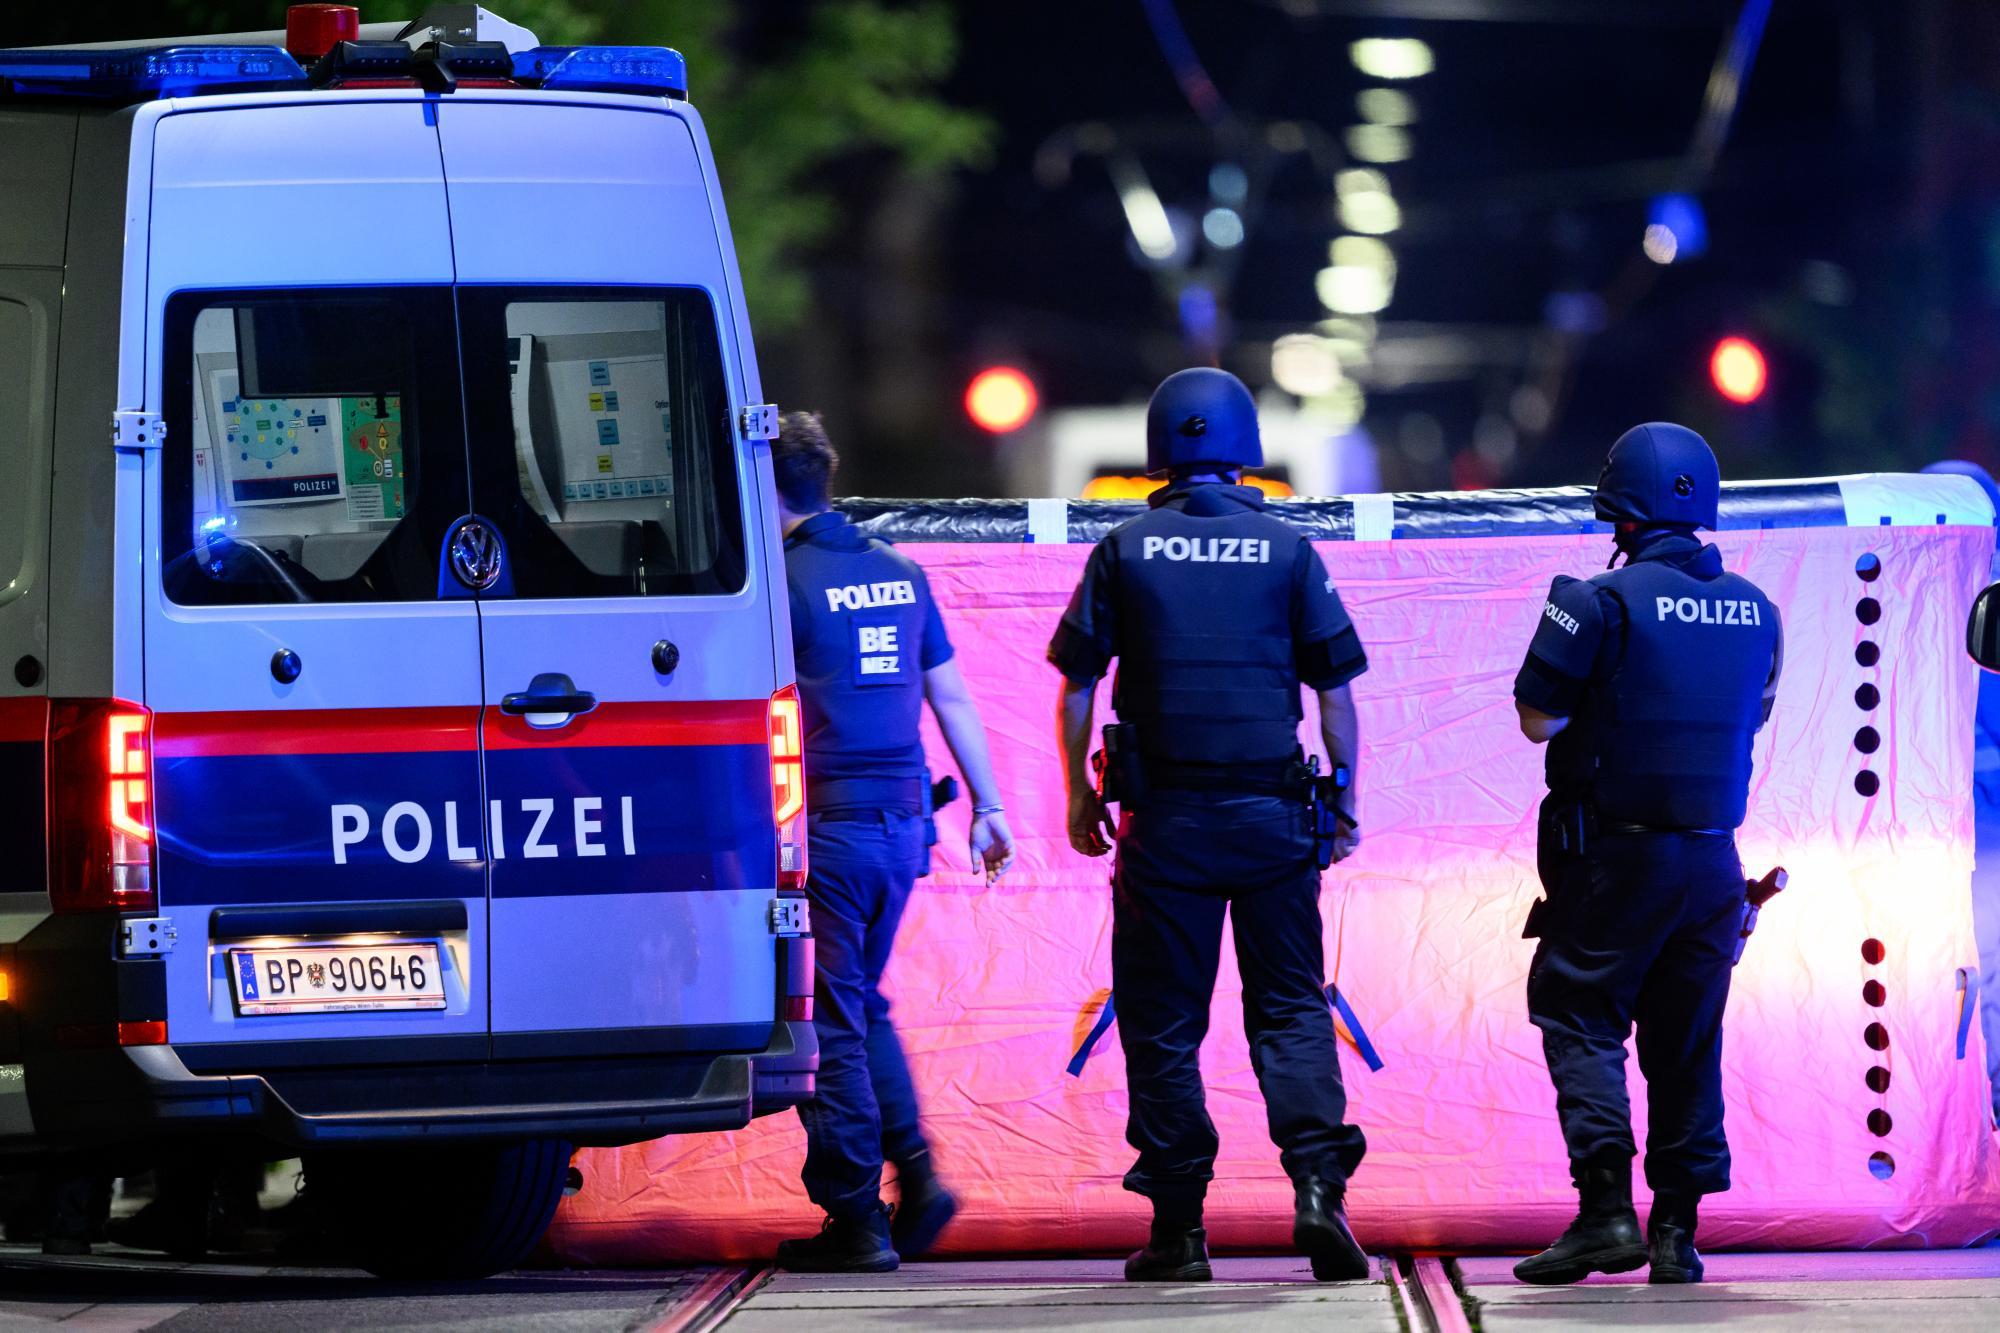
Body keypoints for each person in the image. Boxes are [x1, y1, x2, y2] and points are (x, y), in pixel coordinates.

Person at [1048, 367, 1372, 1284]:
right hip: (1276, 822)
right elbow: (1334, 691)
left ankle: (1181, 1231)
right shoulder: (1288, 550)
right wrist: (1343, 801)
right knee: (1290, 1010)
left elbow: (1077, 682)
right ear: (1241, 450)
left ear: (1162, 450)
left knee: (1162, 1023)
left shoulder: (1124, 548)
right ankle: (1317, 1189)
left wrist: (1078, 793)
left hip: (1168, 827)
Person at [1511, 423, 1782, 1287]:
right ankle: (1676, 1233)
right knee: (1687, 1038)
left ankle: (1604, 1215)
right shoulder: (1758, 608)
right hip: (1713, 862)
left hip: (1616, 859)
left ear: (1616, 505)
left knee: (1577, 1010)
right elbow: (1757, 713)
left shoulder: (1594, 600)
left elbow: (1537, 719)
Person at [770, 411, 1016, 1274]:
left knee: (828, 1020)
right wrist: (989, 805)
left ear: (767, 486)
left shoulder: (779, 586)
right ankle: (917, 1173)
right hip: (904, 829)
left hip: (829, 834)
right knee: (860, 1003)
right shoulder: (901, 573)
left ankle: (856, 1217)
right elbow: (950, 696)